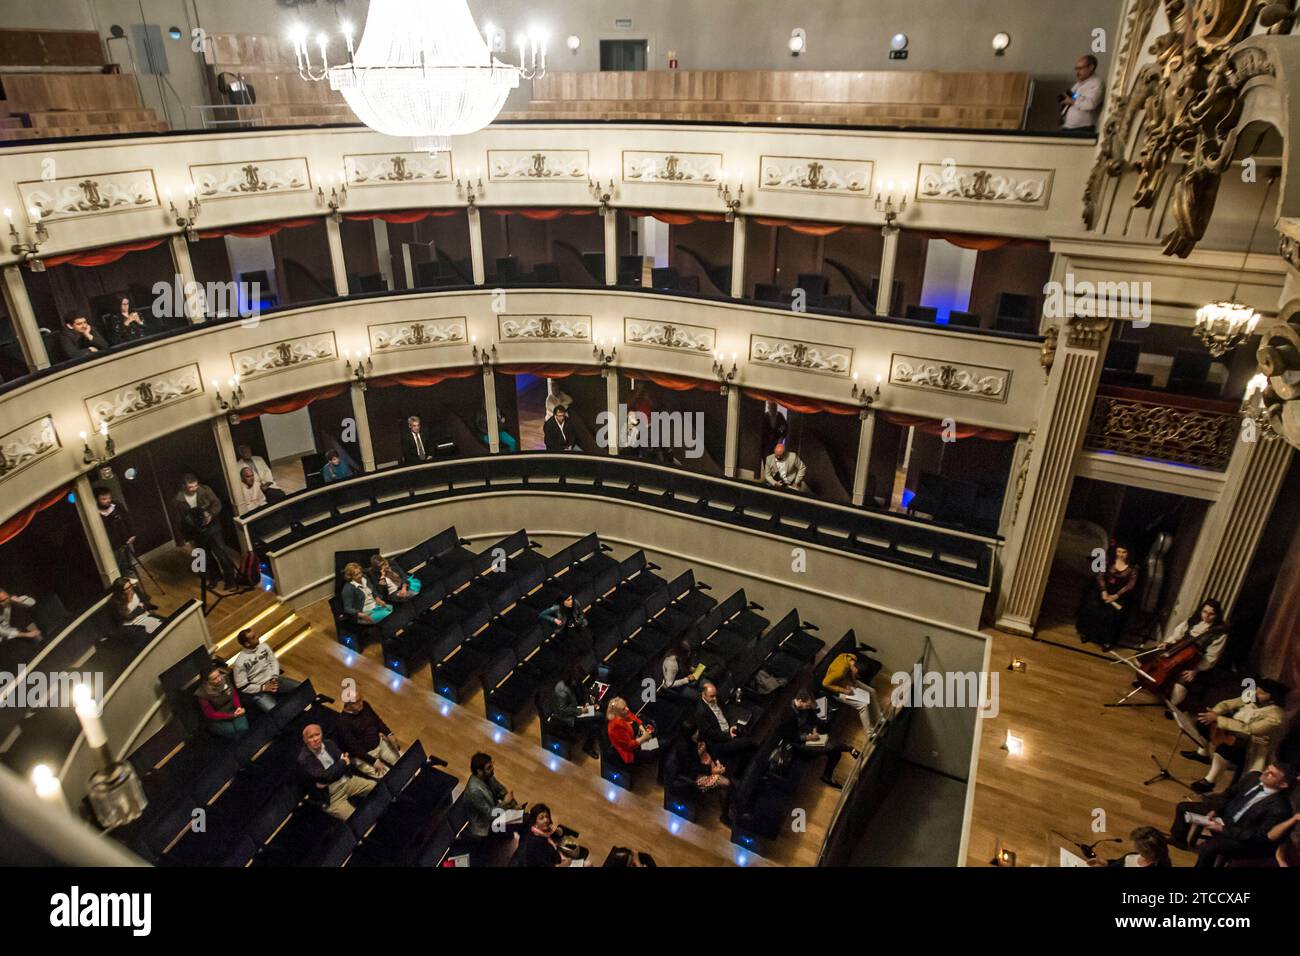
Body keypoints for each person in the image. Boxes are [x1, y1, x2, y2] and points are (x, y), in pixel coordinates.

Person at [1169, 762, 1295, 867]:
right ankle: (1179, 839)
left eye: (1271, 774)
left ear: (1282, 784)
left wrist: (1223, 829)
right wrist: (1215, 809)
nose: (1265, 773)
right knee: (1183, 807)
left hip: (1242, 835)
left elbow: (1258, 836)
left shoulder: (1280, 808)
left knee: (1206, 849)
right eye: (1267, 769)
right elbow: (1228, 794)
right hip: (1226, 814)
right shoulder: (1253, 777)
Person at [1185, 680, 1287, 793]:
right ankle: (1202, 753)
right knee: (1204, 722)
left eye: (1261, 693)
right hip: (1234, 732)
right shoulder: (1253, 697)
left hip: (1252, 745)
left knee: (1228, 745)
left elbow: (1250, 729)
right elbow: (1227, 704)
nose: (1255, 694)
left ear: (1272, 698)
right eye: (1256, 690)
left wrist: (1218, 719)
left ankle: (1209, 781)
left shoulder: (1276, 716)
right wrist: (1214, 713)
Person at [1156, 598, 1229, 709]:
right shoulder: (1192, 621)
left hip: (1194, 662)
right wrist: (1167, 642)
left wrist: (1195, 670)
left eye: (1211, 614)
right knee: (1148, 658)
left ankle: (1172, 706)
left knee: (1181, 683)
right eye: (1204, 612)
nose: (1206, 616)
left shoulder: (1219, 633)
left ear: (1217, 615)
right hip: (1177, 653)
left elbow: (1211, 657)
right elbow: (1177, 635)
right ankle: (1152, 684)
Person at [297, 723, 376, 821]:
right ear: (305, 740)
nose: (315, 739)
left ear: (321, 734)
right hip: (332, 797)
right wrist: (342, 763)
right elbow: (325, 776)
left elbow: (335, 772)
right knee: (356, 819)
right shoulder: (304, 758)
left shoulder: (329, 744)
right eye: (311, 737)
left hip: (347, 781)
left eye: (317, 735)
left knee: (375, 787)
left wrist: (330, 776)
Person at [780, 689, 856, 789]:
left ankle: (827, 776)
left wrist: (815, 729)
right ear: (799, 701)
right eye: (806, 706)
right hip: (800, 743)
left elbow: (814, 719)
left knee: (836, 752)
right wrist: (808, 737)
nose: (808, 708)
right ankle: (849, 748)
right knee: (832, 747)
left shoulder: (807, 707)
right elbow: (791, 737)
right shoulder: (788, 714)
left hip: (811, 735)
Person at [669, 720, 734, 824]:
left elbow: (710, 746)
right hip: (696, 775)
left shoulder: (698, 736)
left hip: (707, 764)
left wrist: (717, 761)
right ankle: (725, 816)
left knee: (729, 772)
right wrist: (712, 770)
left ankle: (729, 804)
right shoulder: (683, 747)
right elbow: (692, 768)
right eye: (695, 731)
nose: (698, 732)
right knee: (726, 783)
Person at [1076, 543, 1138, 650]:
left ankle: (1106, 641)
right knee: (1093, 608)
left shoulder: (1133, 569)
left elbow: (1130, 585)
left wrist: (1116, 596)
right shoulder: (1109, 561)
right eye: (1119, 551)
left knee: (1112, 616)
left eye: (1124, 552)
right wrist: (1103, 591)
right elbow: (1100, 575)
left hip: (1119, 595)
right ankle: (1088, 634)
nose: (1121, 554)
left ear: (1128, 554)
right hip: (1103, 591)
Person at [93, 486, 148, 602]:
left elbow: (128, 519)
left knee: (129, 570)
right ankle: (124, 599)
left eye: (108, 498)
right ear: (97, 499)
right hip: (109, 549)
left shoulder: (117, 506)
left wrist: (132, 534)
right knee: (117, 574)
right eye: (104, 499)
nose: (107, 501)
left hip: (123, 544)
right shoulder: (94, 514)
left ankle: (138, 596)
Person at [230, 627, 301, 712]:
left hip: (274, 681)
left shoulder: (264, 646)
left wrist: (274, 676)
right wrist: (263, 688)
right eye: (253, 637)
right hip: (259, 691)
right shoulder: (240, 662)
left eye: (255, 635)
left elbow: (273, 661)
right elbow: (242, 686)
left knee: (301, 687)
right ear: (247, 644)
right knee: (275, 712)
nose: (257, 637)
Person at [335, 693, 403, 779]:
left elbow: (377, 721)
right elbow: (354, 748)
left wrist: (389, 734)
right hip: (364, 756)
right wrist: (373, 761)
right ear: (347, 705)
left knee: (401, 762)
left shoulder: (364, 705)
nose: (361, 703)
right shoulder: (342, 723)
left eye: (361, 699)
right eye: (357, 701)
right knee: (388, 777)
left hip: (379, 744)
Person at [464, 752, 521, 851]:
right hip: (484, 824)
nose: (492, 769)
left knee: (519, 817)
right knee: (518, 821)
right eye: (489, 767)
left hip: (495, 810)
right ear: (479, 771)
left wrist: (514, 806)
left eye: (491, 765)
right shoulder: (475, 791)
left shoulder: (488, 776)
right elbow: (490, 814)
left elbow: (501, 790)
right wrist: (506, 803)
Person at [695, 680, 758, 768]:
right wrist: (728, 736)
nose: (715, 699)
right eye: (712, 696)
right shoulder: (701, 713)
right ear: (703, 694)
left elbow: (726, 712)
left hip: (728, 729)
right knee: (746, 742)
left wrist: (732, 725)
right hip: (719, 740)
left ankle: (751, 761)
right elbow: (711, 734)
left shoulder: (716, 698)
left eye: (715, 695)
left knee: (746, 731)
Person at [822, 650, 882, 735]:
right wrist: (844, 690)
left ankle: (879, 719)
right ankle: (870, 734)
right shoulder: (839, 672)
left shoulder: (852, 658)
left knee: (872, 691)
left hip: (846, 681)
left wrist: (852, 680)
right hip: (836, 690)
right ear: (855, 668)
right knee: (863, 705)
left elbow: (850, 673)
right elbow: (825, 684)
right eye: (857, 674)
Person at [551, 661, 600, 758]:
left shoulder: (575, 681)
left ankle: (591, 742)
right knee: (597, 719)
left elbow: (584, 690)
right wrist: (581, 711)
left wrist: (587, 703)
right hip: (566, 717)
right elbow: (562, 710)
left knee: (597, 714)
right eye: (578, 678)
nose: (579, 680)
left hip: (577, 709)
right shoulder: (561, 688)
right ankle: (588, 746)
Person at [518, 804, 587, 866]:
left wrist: (558, 832)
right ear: (535, 822)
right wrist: (562, 865)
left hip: (558, 859)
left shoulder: (544, 833)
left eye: (547, 816)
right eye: (541, 818)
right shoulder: (534, 842)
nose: (545, 820)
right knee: (587, 864)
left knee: (587, 862)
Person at [194, 660, 248, 738]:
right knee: (232, 731)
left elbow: (234, 695)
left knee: (242, 728)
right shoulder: (202, 694)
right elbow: (211, 714)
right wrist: (231, 715)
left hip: (233, 709)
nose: (219, 679)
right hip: (218, 719)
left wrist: (238, 707)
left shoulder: (225, 678)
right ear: (207, 681)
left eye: (219, 675)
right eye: (214, 679)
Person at [605, 696, 655, 767]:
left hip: (638, 739)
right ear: (617, 713)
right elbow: (629, 746)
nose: (627, 709)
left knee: (658, 739)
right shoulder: (616, 727)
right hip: (631, 751)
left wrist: (643, 730)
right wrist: (644, 738)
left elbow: (634, 717)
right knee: (660, 744)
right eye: (623, 709)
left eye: (626, 706)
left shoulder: (624, 713)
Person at [539, 594, 592, 658]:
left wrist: (578, 621)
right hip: (565, 631)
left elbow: (581, 614)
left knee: (583, 637)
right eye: (568, 600)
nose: (571, 601)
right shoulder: (557, 608)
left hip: (576, 628)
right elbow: (542, 614)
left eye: (571, 599)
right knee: (575, 639)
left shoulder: (575, 604)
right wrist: (554, 619)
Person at [1060, 53, 1104, 131]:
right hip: (1068, 127)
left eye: (1080, 68)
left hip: (1083, 128)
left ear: (1091, 67)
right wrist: (1068, 97)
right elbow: (1075, 96)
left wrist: (1072, 101)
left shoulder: (1097, 83)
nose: (1077, 72)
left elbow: (1090, 104)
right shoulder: (1080, 83)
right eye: (1076, 69)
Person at [1090, 826, 1171, 867]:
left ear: (1151, 852)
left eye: (1138, 846)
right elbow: (1119, 863)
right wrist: (1107, 863)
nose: (1135, 846)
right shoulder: (1132, 856)